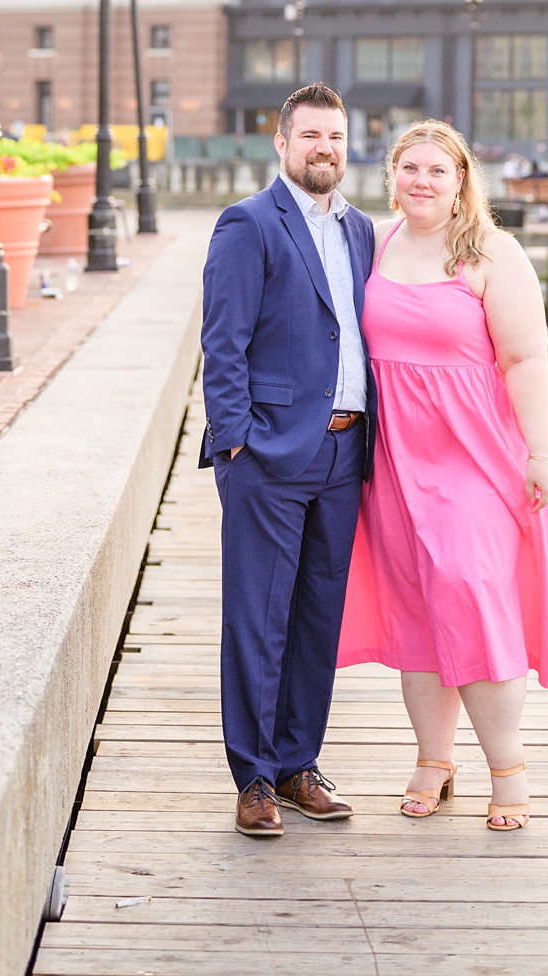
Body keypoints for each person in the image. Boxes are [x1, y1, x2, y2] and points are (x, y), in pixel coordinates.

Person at [338, 118, 548, 830]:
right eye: (409, 169)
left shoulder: (492, 253)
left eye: (436, 171)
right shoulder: (374, 243)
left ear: (461, 181)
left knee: (474, 596)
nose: (421, 181)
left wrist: (543, 452)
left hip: (474, 452)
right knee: (416, 604)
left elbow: (525, 361)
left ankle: (507, 768)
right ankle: (433, 757)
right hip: (393, 457)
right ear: (392, 175)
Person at [197, 81, 377, 838]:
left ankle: (301, 765)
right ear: (282, 143)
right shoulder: (249, 224)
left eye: (334, 137)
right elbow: (222, 342)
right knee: (256, 617)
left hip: (345, 452)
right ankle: (256, 778)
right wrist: (236, 442)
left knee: (315, 618)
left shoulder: (363, 230)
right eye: (310, 137)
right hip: (269, 453)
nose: (324, 149)